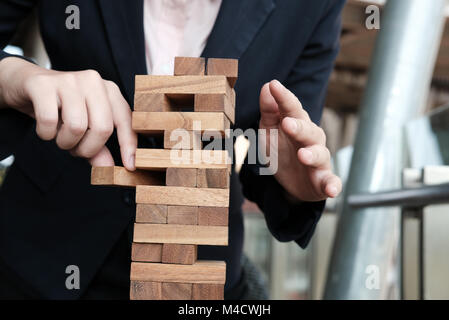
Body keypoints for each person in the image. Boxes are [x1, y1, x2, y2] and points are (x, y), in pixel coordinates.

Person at [0, 0, 344, 299]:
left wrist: (291, 184)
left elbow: (280, 143)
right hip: (39, 250)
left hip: (196, 265)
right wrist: (15, 77)